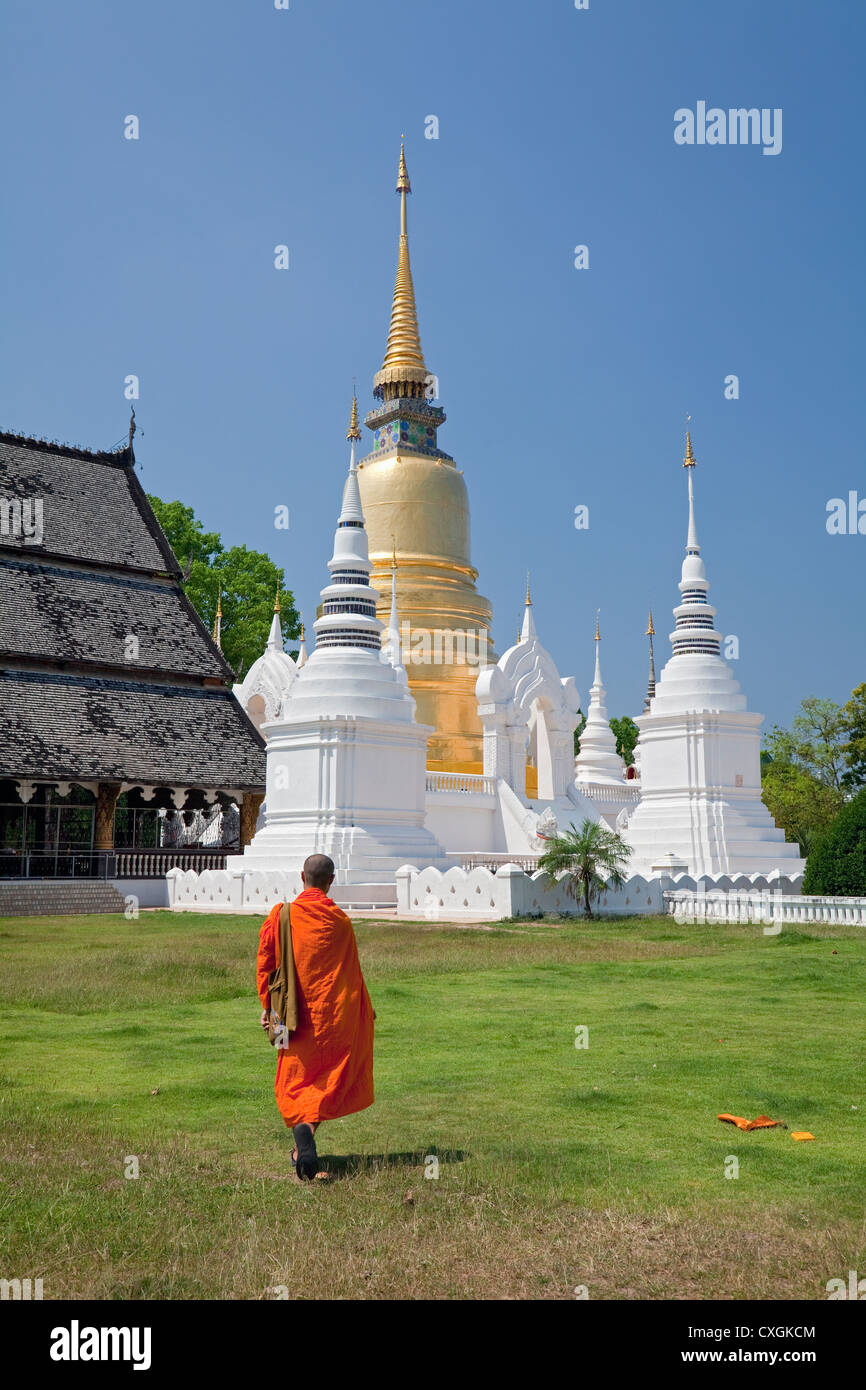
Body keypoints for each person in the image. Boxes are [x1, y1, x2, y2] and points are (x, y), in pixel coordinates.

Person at [256, 854, 375, 1180]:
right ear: (331, 881)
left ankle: (301, 1140)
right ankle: (305, 1132)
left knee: (292, 1077)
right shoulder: (340, 921)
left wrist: (268, 1008)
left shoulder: (282, 915)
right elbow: (351, 974)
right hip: (333, 1017)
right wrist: (364, 1011)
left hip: (287, 1014)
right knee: (329, 1076)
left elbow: (266, 965)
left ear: (301, 877)